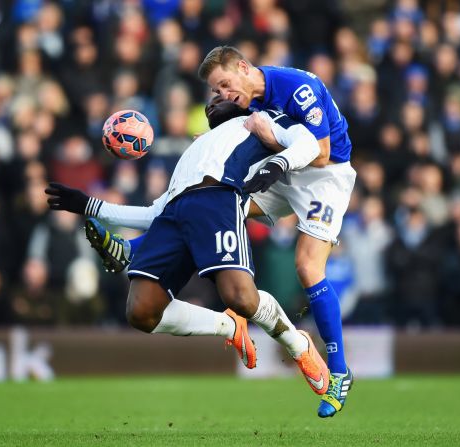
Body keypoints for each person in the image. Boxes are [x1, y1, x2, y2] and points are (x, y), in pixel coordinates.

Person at [46, 96, 330, 397]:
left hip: (219, 198)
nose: (215, 99)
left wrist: (279, 163)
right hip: (175, 212)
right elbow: (155, 212)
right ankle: (229, 327)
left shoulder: (260, 121)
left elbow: (310, 144)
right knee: (141, 312)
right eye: (213, 94)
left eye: (223, 92)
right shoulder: (193, 149)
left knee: (241, 298)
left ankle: (300, 347)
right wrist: (89, 205)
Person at [198, 46, 356, 417]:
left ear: (242, 67)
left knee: (307, 268)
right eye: (216, 92)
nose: (222, 95)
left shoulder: (297, 87)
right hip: (284, 172)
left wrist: (266, 132)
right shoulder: (245, 103)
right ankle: (139, 248)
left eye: (224, 85)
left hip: (325, 176)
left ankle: (338, 372)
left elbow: (320, 152)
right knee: (218, 205)